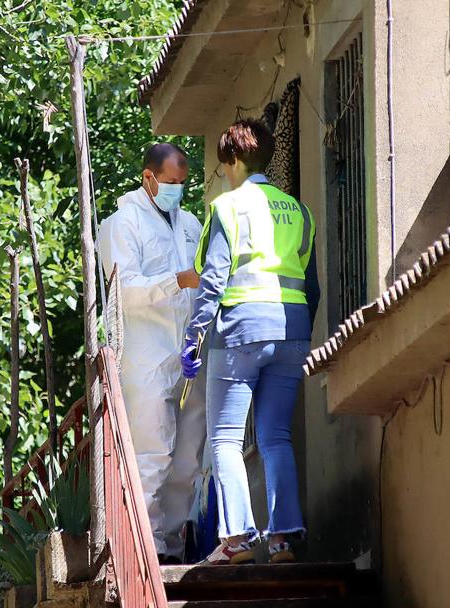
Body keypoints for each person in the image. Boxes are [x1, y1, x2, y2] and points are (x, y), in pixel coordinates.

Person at [181, 119, 319, 565]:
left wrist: (194, 337)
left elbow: (213, 278)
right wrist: (301, 334)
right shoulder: (298, 211)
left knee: (223, 438)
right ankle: (281, 541)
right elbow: (310, 285)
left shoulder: (228, 207)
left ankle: (237, 540)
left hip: (239, 332)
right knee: (276, 436)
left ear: (235, 161)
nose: (224, 174)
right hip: (291, 331)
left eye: (224, 166)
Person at [98, 143, 206, 564]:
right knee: (151, 454)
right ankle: (145, 554)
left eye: (183, 183)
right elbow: (123, 292)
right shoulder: (122, 224)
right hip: (145, 356)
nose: (177, 190)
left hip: (189, 355)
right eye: (170, 183)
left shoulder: (191, 224)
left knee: (187, 457)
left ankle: (173, 548)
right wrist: (176, 281)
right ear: (148, 178)